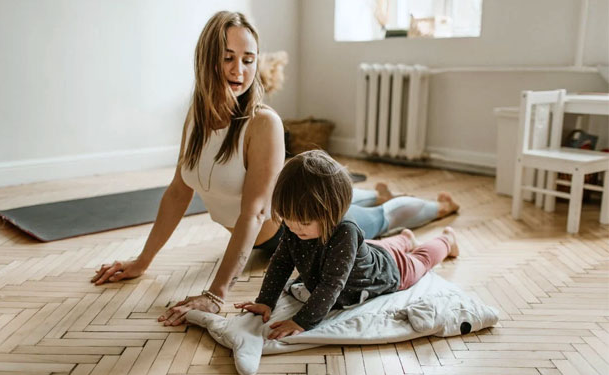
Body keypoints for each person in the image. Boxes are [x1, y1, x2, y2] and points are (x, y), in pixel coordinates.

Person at [90, 11, 459, 326]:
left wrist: (216, 294)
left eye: (248, 59)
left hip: (305, 230)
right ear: (206, 58)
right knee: (366, 209)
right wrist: (143, 260)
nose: (239, 70)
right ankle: (377, 200)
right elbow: (177, 193)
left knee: (379, 218)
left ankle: (438, 209)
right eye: (228, 57)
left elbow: (254, 213)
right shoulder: (196, 118)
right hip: (285, 226)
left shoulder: (262, 123)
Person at [235, 151, 459, 339]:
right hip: (368, 251)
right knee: (379, 247)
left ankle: (447, 240)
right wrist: (265, 301)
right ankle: (405, 238)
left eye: (303, 222)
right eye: (288, 220)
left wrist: (301, 321)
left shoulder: (345, 232)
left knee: (420, 260)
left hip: (389, 270)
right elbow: (281, 262)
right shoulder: (296, 227)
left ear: (332, 212)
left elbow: (332, 284)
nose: (294, 228)